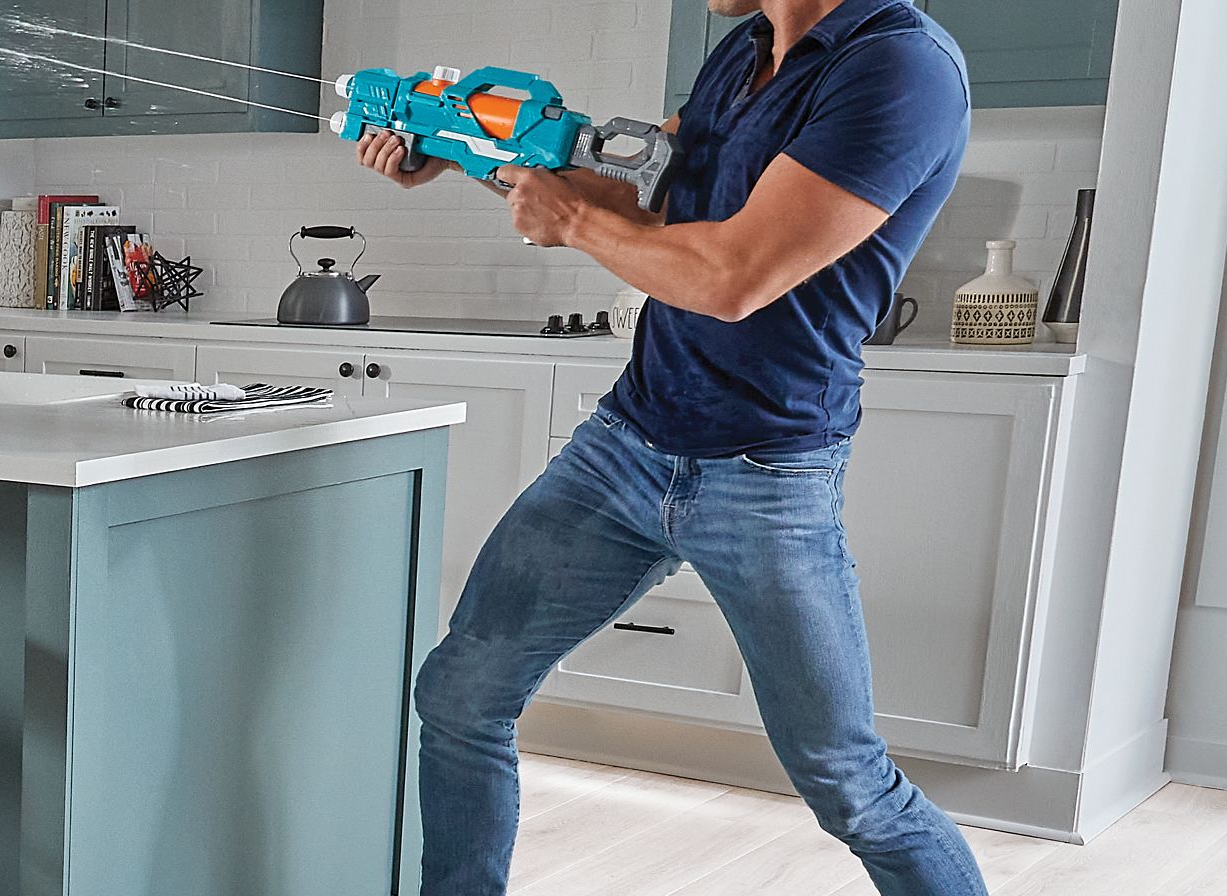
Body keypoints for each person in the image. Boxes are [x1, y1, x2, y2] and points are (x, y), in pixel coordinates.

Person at [353, 0, 988, 893]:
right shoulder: (742, 52)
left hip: (768, 473)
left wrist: (571, 224)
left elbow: (732, 277)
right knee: (461, 698)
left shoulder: (901, 70)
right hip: (626, 446)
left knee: (849, 786)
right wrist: (457, 150)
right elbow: (630, 195)